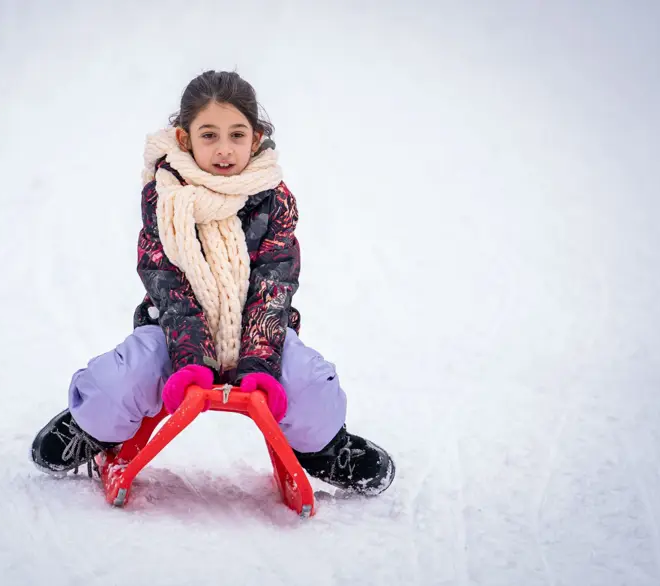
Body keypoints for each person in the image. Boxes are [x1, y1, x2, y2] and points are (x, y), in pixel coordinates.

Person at [30, 70, 395, 495]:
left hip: (260, 334)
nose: (224, 150)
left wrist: (260, 362)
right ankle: (91, 426)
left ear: (255, 139)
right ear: (185, 140)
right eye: (209, 135)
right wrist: (189, 360)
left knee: (311, 383)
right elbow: (167, 285)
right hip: (172, 330)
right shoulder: (166, 198)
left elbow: (274, 287)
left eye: (236, 135)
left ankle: (325, 448)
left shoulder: (274, 199)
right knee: (123, 377)